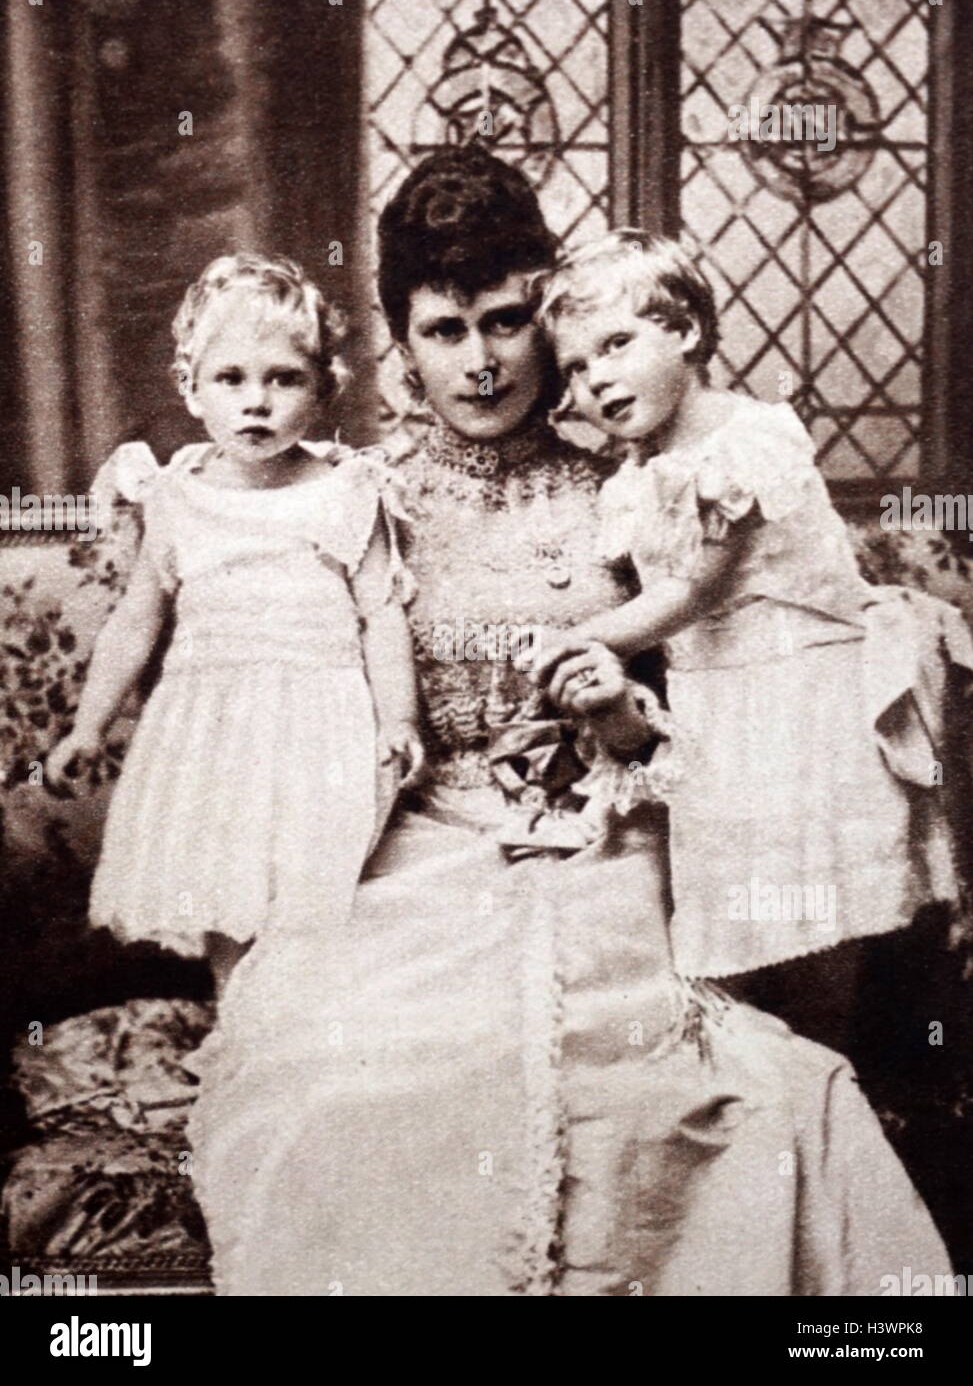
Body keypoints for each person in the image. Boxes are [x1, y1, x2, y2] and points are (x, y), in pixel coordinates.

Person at [185, 148, 949, 1296]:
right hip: (411, 851)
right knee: (342, 1084)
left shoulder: (638, 488)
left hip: (614, 841)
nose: (483, 363)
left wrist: (623, 725)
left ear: (549, 317)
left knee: (709, 1092)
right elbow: (258, 713)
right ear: (399, 340)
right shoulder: (353, 499)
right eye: (445, 331)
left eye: (506, 321)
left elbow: (723, 709)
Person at [533, 231, 973, 991]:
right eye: (576, 365)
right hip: (718, 712)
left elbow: (690, 593)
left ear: (686, 332)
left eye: (616, 345)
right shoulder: (633, 480)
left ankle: (843, 1087)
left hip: (802, 705)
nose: (597, 379)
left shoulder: (747, 442)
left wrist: (572, 637)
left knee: (821, 920)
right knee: (742, 939)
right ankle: (776, 1091)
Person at [46, 252, 421, 989]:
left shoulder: (347, 489)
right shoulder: (177, 492)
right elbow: (136, 617)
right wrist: (89, 726)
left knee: (305, 893)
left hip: (319, 720)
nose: (257, 401)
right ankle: (236, 1036)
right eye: (232, 379)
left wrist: (397, 720)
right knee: (222, 879)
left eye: (283, 379)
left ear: (322, 390)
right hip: (208, 723)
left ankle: (290, 1045)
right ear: (191, 389)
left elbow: (381, 612)